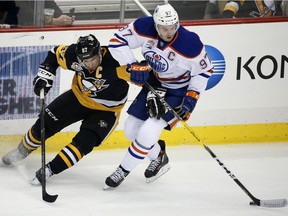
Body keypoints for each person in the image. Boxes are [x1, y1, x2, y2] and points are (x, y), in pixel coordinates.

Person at [2, 34, 149, 185]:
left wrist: (144, 71)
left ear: (99, 52)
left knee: (84, 142)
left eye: (93, 59)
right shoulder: (73, 55)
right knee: (44, 123)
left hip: (106, 110)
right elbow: (54, 54)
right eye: (85, 61)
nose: (90, 64)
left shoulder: (116, 60)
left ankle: (50, 170)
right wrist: (45, 75)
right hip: (77, 97)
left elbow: (143, 77)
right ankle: (21, 151)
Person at [104, 3, 214, 188]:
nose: (169, 32)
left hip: (178, 91)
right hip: (153, 84)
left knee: (148, 131)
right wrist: (131, 65)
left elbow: (204, 71)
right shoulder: (144, 27)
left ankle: (122, 171)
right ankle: (159, 156)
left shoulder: (190, 43)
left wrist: (191, 97)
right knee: (131, 130)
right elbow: (116, 42)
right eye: (164, 28)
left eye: (172, 27)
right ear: (156, 25)